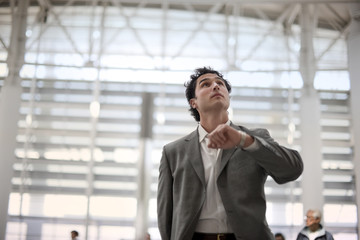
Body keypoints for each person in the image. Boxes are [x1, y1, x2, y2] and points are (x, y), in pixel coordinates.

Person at [157, 66, 303, 240]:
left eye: (220, 83)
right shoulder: (173, 152)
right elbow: (165, 214)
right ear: (193, 102)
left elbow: (292, 169)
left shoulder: (254, 139)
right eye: (206, 84)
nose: (216, 86)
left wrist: (245, 141)